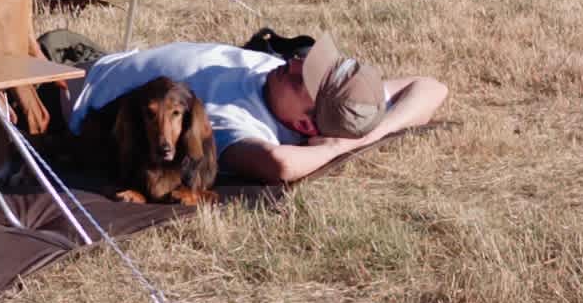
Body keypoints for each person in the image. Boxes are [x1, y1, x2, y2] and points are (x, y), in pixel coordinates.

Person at [72, 31, 446, 188]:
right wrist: (374, 132)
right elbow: (431, 86)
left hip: (83, 91)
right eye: (308, 64)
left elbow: (279, 166)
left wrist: (338, 146)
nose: (295, 64)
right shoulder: (283, 80)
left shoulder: (233, 117)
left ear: (305, 124)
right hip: (109, 64)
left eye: (304, 81)